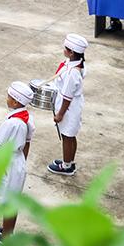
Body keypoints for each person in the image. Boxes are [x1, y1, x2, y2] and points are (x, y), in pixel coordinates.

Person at [0, 82, 35, 246]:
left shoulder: (13, 123)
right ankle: (6, 231)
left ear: (16, 102)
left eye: (9, 96)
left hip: (10, 163)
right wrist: (21, 162)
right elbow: (27, 142)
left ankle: (6, 238)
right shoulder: (26, 117)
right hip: (16, 162)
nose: (7, 99)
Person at [48, 33, 85, 176]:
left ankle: (66, 166)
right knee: (71, 135)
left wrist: (60, 114)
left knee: (67, 137)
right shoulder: (77, 63)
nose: (64, 50)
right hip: (72, 106)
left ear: (71, 52)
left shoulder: (72, 73)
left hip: (69, 108)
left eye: (66, 49)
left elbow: (67, 97)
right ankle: (69, 160)